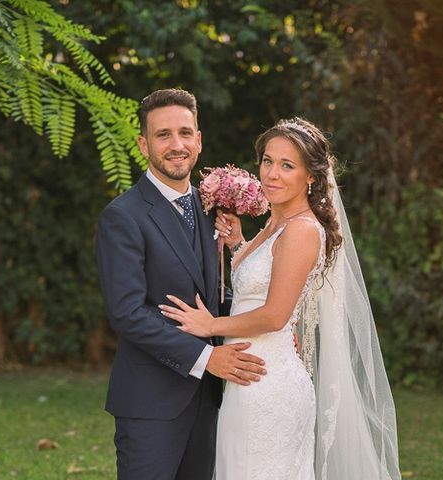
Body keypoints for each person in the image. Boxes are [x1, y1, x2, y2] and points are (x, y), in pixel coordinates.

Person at [160, 117, 401, 479]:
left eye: (287, 165)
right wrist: (239, 244)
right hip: (247, 378)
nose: (271, 173)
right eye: (267, 161)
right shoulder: (276, 225)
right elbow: (259, 287)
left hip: (268, 387)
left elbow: (274, 315)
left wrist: (210, 324)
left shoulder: (301, 231)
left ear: (310, 177)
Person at [95, 88, 267, 480]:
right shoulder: (122, 216)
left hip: (209, 400)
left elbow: (218, 298)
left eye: (185, 133)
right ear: (143, 144)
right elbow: (127, 313)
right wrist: (208, 359)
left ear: (199, 139)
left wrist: (266, 327)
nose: (177, 145)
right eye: (163, 135)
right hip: (150, 403)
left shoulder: (211, 211)